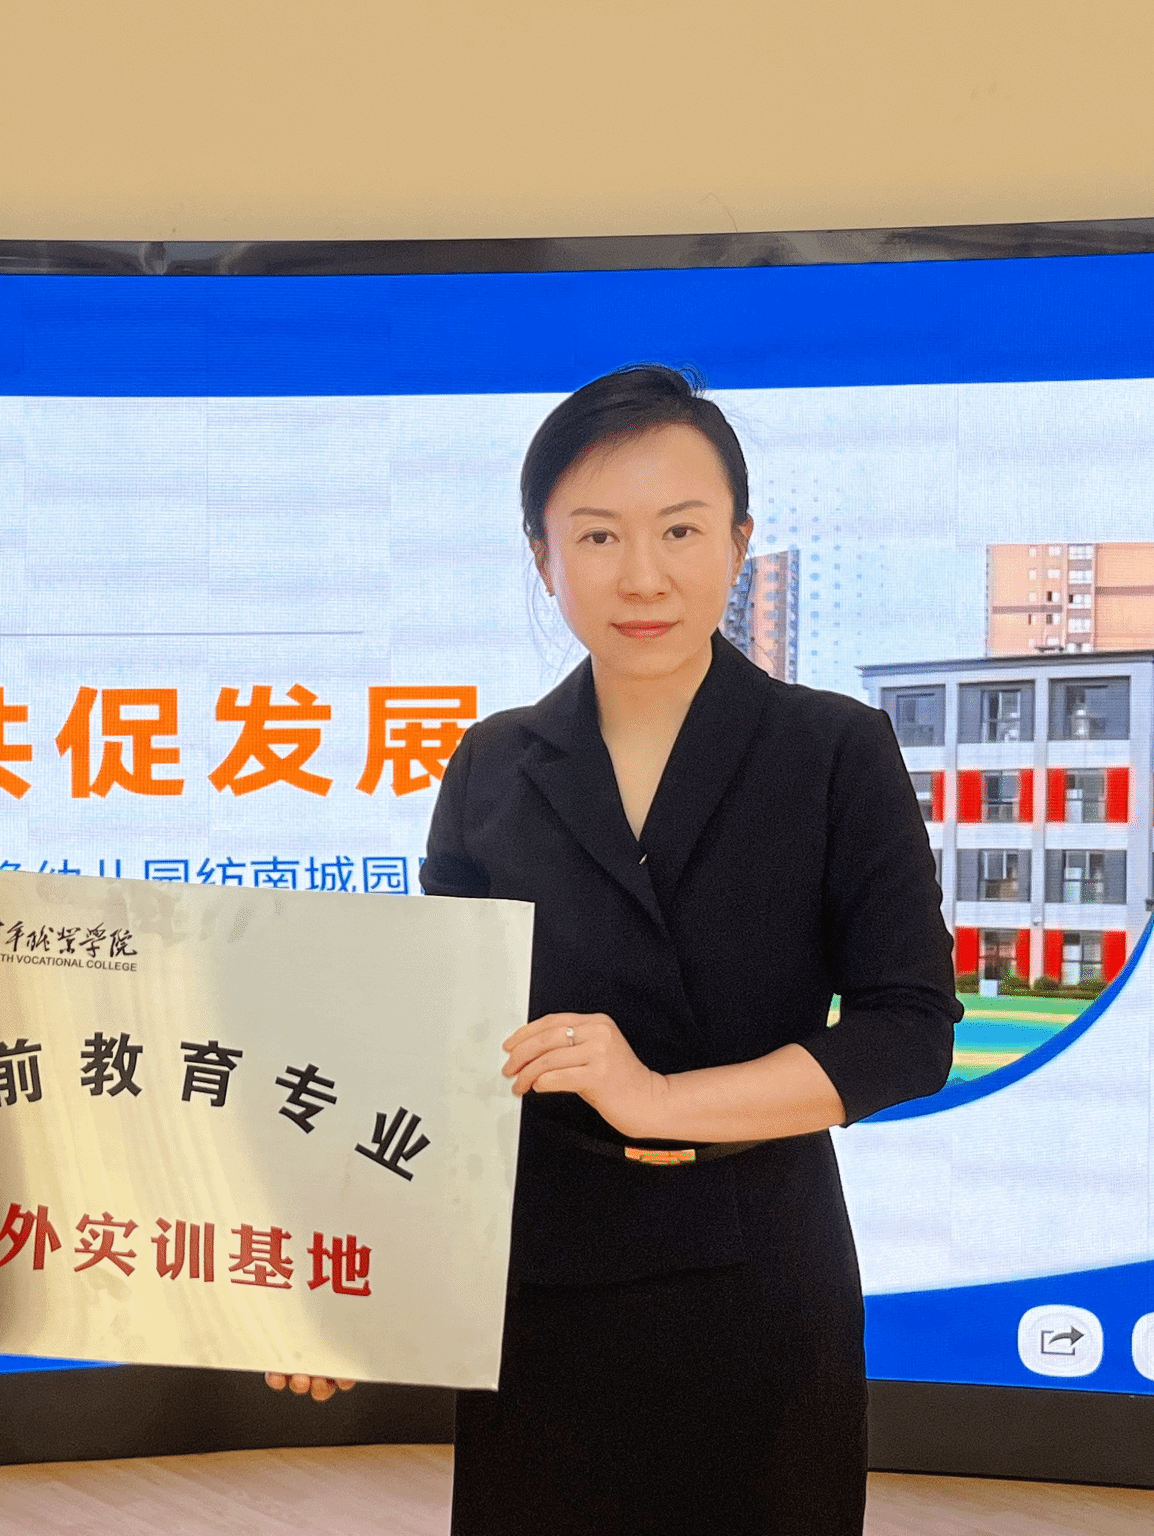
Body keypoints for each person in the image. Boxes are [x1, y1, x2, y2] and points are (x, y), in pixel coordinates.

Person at [419, 365, 960, 1534]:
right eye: (596, 535)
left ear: (738, 542)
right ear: (541, 556)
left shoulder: (831, 750)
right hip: (538, 1282)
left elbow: (907, 1033)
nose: (642, 575)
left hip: (759, 1281)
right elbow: (433, 1055)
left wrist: (659, 1099)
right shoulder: (489, 765)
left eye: (678, 530)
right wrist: (339, 1294)